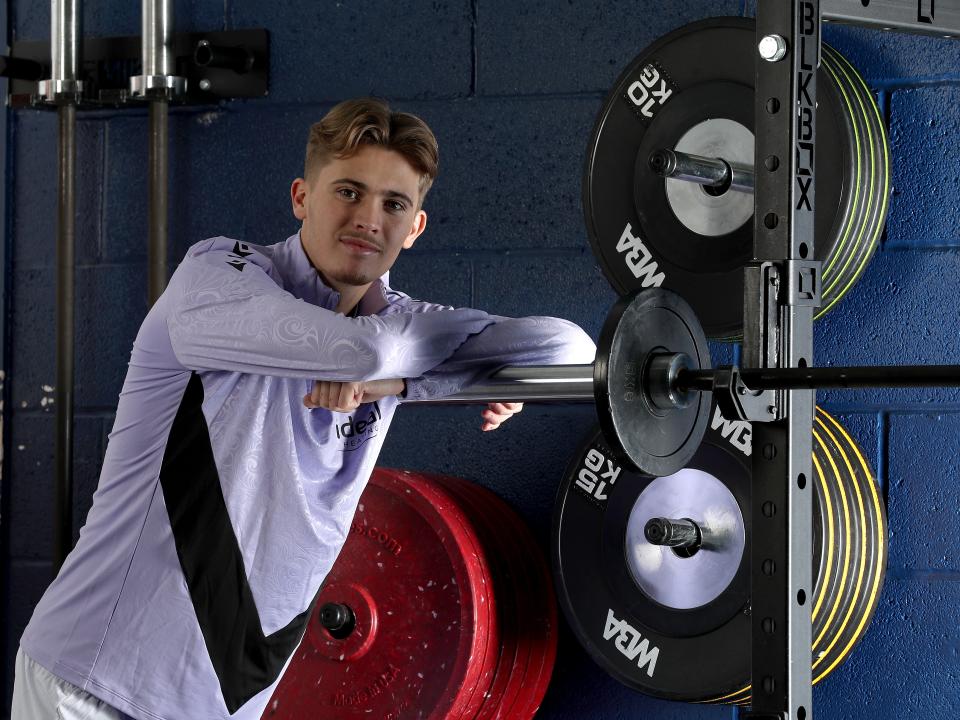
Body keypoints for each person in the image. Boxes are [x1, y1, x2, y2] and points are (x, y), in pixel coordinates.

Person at [11, 98, 595, 720]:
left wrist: (399, 387)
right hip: (97, 682)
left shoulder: (396, 336)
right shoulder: (218, 277)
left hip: (222, 702)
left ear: (415, 227)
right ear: (301, 197)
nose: (368, 219)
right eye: (348, 191)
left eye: (393, 204)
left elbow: (572, 350)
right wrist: (425, 370)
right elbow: (358, 350)